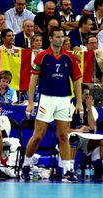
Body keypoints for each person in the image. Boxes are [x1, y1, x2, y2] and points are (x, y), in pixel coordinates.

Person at [21, 27, 83, 183]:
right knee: (38, 136)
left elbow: (77, 80)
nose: (60, 39)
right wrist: (30, 102)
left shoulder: (69, 57)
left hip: (64, 100)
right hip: (46, 99)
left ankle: (68, 171)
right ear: (50, 38)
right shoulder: (42, 56)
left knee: (64, 136)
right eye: (57, 36)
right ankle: (26, 165)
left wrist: (79, 102)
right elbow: (33, 80)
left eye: (62, 36)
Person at [69, 83, 103, 178]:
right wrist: (79, 130)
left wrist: (89, 109)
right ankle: (70, 171)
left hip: (87, 140)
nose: (88, 97)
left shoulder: (92, 109)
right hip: (73, 137)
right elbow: (64, 130)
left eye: (89, 94)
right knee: (73, 138)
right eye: (86, 95)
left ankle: (99, 171)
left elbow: (92, 127)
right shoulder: (69, 106)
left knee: (101, 142)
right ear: (78, 95)